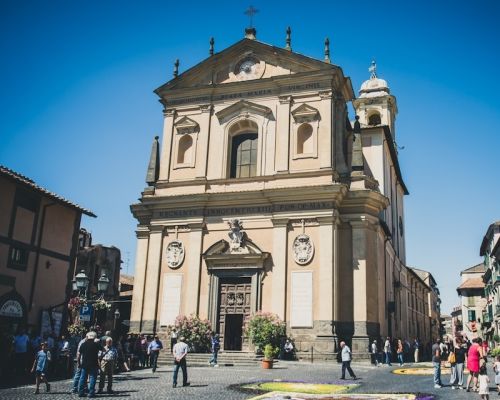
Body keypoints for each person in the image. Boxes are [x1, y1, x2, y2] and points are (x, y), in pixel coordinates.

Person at [78, 331, 101, 398]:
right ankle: (91, 393)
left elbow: (79, 355)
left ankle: (81, 392)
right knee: (92, 378)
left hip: (84, 364)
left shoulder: (83, 344)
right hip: (94, 364)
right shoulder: (96, 344)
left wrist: (79, 363)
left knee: (83, 378)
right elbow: (103, 350)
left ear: (87, 337)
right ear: (94, 337)